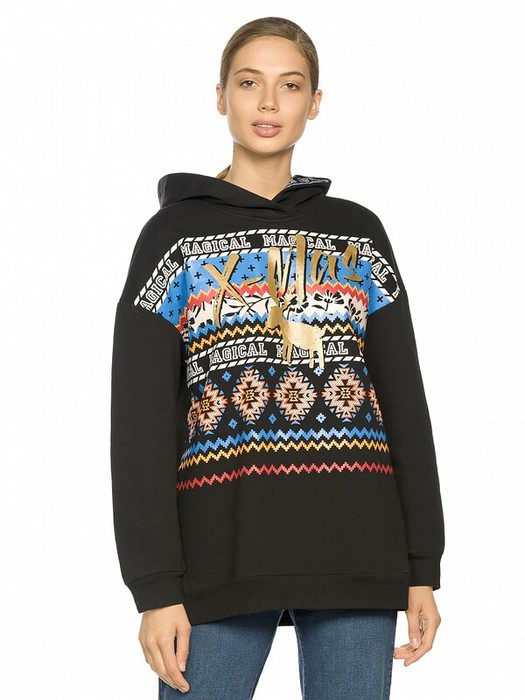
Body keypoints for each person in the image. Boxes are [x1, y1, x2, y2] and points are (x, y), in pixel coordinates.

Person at [110, 16, 445, 699]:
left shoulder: (357, 235)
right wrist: (154, 586)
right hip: (219, 554)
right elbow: (139, 422)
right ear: (220, 96)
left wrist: (421, 567)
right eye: (248, 83)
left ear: (314, 102)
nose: (268, 102)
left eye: (289, 85)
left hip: (358, 547)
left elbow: (403, 403)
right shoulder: (173, 238)